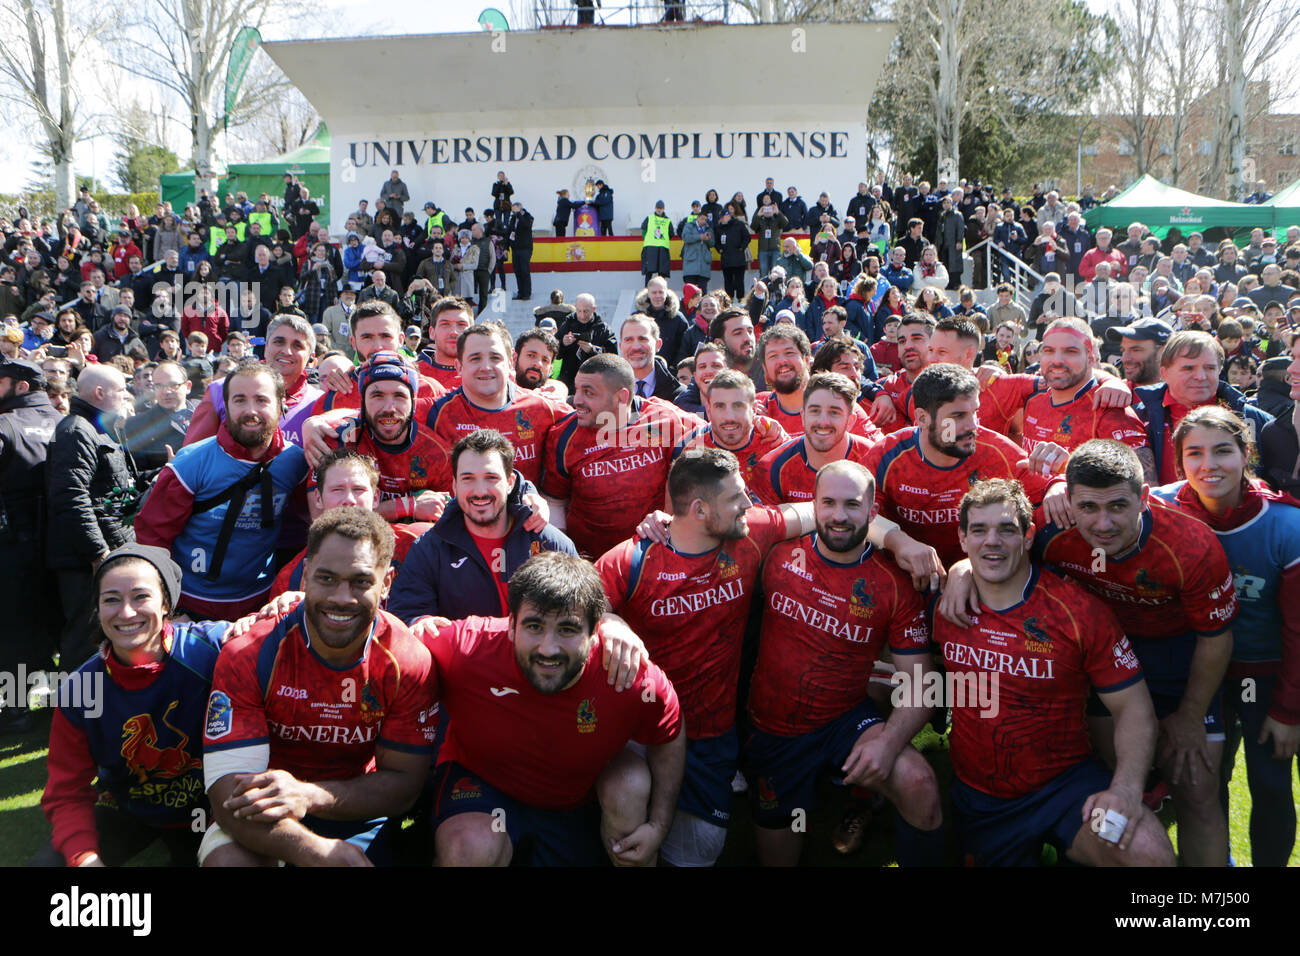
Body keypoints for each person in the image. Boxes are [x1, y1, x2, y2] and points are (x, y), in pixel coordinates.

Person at [935, 479, 1175, 867]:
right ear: (962, 538)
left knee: (1149, 854)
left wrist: (1127, 790)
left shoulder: (1078, 612)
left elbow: (1133, 707)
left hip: (1065, 786)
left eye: (1007, 530)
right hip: (982, 796)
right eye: (979, 530)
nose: (991, 541)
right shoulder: (943, 604)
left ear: (1029, 536)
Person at [595, 449, 812, 866]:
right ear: (698, 509)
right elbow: (577, 610)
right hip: (639, 730)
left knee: (697, 855)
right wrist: (611, 622)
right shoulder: (632, 559)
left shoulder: (749, 534)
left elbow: (823, 512)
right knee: (628, 813)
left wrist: (899, 540)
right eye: (737, 498)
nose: (750, 505)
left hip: (710, 736)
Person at [200, 508, 436, 866]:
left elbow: (403, 787)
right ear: (306, 575)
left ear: (386, 583)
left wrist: (307, 795)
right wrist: (315, 852)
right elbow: (226, 796)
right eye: (326, 578)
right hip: (261, 810)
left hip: (358, 813)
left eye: (360, 581)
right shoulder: (249, 654)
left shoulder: (408, 661)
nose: (342, 597)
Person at [428, 551, 683, 866]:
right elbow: (393, 657)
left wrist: (658, 825)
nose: (548, 649)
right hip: (484, 788)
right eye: (534, 626)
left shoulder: (630, 677)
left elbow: (669, 732)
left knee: (628, 785)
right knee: (470, 850)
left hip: (574, 799)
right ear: (511, 626)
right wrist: (417, 626)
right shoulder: (466, 647)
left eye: (567, 630)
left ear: (594, 634)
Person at [747, 460, 945, 866]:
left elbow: (922, 687)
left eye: (852, 505)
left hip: (844, 722)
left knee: (920, 782)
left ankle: (864, 798)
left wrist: (889, 744)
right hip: (772, 728)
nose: (839, 516)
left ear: (872, 514)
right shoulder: (777, 554)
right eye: (829, 503)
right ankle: (839, 795)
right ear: (812, 506)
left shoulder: (892, 585)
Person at [1152, 406, 1300, 866]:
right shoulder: (1156, 507)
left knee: (1271, 784)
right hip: (1194, 675)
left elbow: (1299, 631)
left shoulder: (1287, 525)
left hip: (1264, 675)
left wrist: (1289, 711)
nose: (1208, 465)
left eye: (1222, 451)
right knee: (1201, 782)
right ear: (1179, 461)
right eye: (1193, 453)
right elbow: (1092, 501)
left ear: (1246, 454)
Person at [36, 545, 230, 866]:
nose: (126, 612)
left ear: (166, 603)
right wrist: (84, 858)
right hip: (129, 807)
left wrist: (288, 601)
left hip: (210, 810)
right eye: (111, 599)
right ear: (97, 609)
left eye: (141, 596)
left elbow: (280, 631)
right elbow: (67, 791)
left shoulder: (212, 648)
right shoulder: (81, 690)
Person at [134, 361, 310, 621]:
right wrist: (167, 606)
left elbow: (304, 528)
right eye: (239, 400)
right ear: (226, 406)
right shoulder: (190, 463)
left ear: (280, 402)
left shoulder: (296, 462)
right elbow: (152, 539)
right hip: (191, 606)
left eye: (261, 400)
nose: (250, 411)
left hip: (262, 603)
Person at [863, 363, 1063, 567]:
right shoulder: (888, 454)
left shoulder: (995, 450)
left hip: (980, 578)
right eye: (957, 416)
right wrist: (898, 542)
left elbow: (1051, 488)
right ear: (922, 418)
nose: (973, 426)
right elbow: (854, 512)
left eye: (975, 412)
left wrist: (1058, 482)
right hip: (905, 578)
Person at [541, 353, 702, 558]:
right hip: (590, 562)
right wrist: (563, 556)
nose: (577, 400)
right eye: (577, 389)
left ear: (622, 397)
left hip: (653, 559)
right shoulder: (564, 435)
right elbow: (555, 502)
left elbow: (715, 435)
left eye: (588, 392)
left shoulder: (666, 419)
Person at [47, 363, 140, 665]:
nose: (128, 396)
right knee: (85, 640)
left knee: (103, 636)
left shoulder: (100, 429)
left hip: (107, 554)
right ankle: (78, 708)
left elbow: (114, 488)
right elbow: (71, 496)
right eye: (121, 391)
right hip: (85, 563)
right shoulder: (77, 430)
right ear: (99, 393)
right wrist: (97, 552)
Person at [425, 323, 572, 486]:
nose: (486, 367)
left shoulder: (542, 407)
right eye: (475, 358)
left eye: (495, 358)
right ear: (459, 366)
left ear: (510, 364)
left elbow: (594, 419)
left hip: (525, 509)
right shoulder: (436, 412)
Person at [0, 358, 61, 724]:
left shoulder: (5, 425)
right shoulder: (66, 423)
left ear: (21, 386)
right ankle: (61, 702)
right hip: (60, 550)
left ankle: (15, 708)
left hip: (12, 551)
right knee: (57, 625)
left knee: (13, 628)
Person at [121, 360, 194, 471]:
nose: (166, 391)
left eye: (173, 385)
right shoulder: (137, 425)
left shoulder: (208, 413)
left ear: (188, 386)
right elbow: (136, 474)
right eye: (159, 386)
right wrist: (168, 471)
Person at [555, 292, 617, 393]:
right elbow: (552, 351)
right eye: (579, 311)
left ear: (594, 309)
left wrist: (593, 350)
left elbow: (614, 357)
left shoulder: (603, 329)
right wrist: (563, 343)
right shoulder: (567, 325)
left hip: (595, 382)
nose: (582, 316)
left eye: (586, 311)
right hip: (569, 381)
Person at [640, 200, 673, 286]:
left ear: (663, 209)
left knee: (662, 272)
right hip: (650, 247)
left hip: (663, 248)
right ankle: (646, 291)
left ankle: (661, 289)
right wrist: (647, 239)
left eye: (661, 208)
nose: (659, 210)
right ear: (655, 208)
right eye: (658, 208)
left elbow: (671, 233)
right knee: (648, 271)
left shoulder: (668, 220)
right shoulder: (649, 218)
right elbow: (643, 230)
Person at [507, 202, 534, 300]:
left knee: (524, 270)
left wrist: (518, 214)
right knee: (517, 271)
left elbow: (526, 225)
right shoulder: (513, 219)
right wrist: (507, 247)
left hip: (525, 248)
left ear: (520, 208)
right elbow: (510, 232)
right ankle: (520, 292)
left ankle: (527, 293)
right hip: (515, 249)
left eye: (515, 209)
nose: (513, 211)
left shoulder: (528, 217)